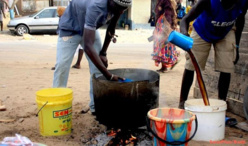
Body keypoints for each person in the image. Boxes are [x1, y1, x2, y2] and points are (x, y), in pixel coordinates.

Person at [53, 0, 131, 114]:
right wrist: (109, 75)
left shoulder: (118, 7)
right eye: (119, 7)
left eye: (124, 9)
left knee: (97, 70)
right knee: (62, 66)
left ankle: (96, 105)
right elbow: (88, 47)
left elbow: (111, 29)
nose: (121, 11)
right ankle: (57, 106)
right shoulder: (96, 5)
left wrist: (103, 53)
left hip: (89, 30)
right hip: (71, 28)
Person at [178, 0, 248, 109]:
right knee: (191, 66)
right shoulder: (207, 1)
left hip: (226, 32)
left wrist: (237, 46)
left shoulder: (243, 2)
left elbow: (241, 20)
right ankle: (182, 104)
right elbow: (185, 20)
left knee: (226, 67)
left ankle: (221, 105)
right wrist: (184, 34)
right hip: (202, 31)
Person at [152, 0, 180, 73]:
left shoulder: (167, 2)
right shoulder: (164, 2)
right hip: (161, 25)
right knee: (162, 46)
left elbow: (169, 15)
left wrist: (167, 30)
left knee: (163, 46)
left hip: (164, 26)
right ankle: (172, 60)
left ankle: (164, 66)